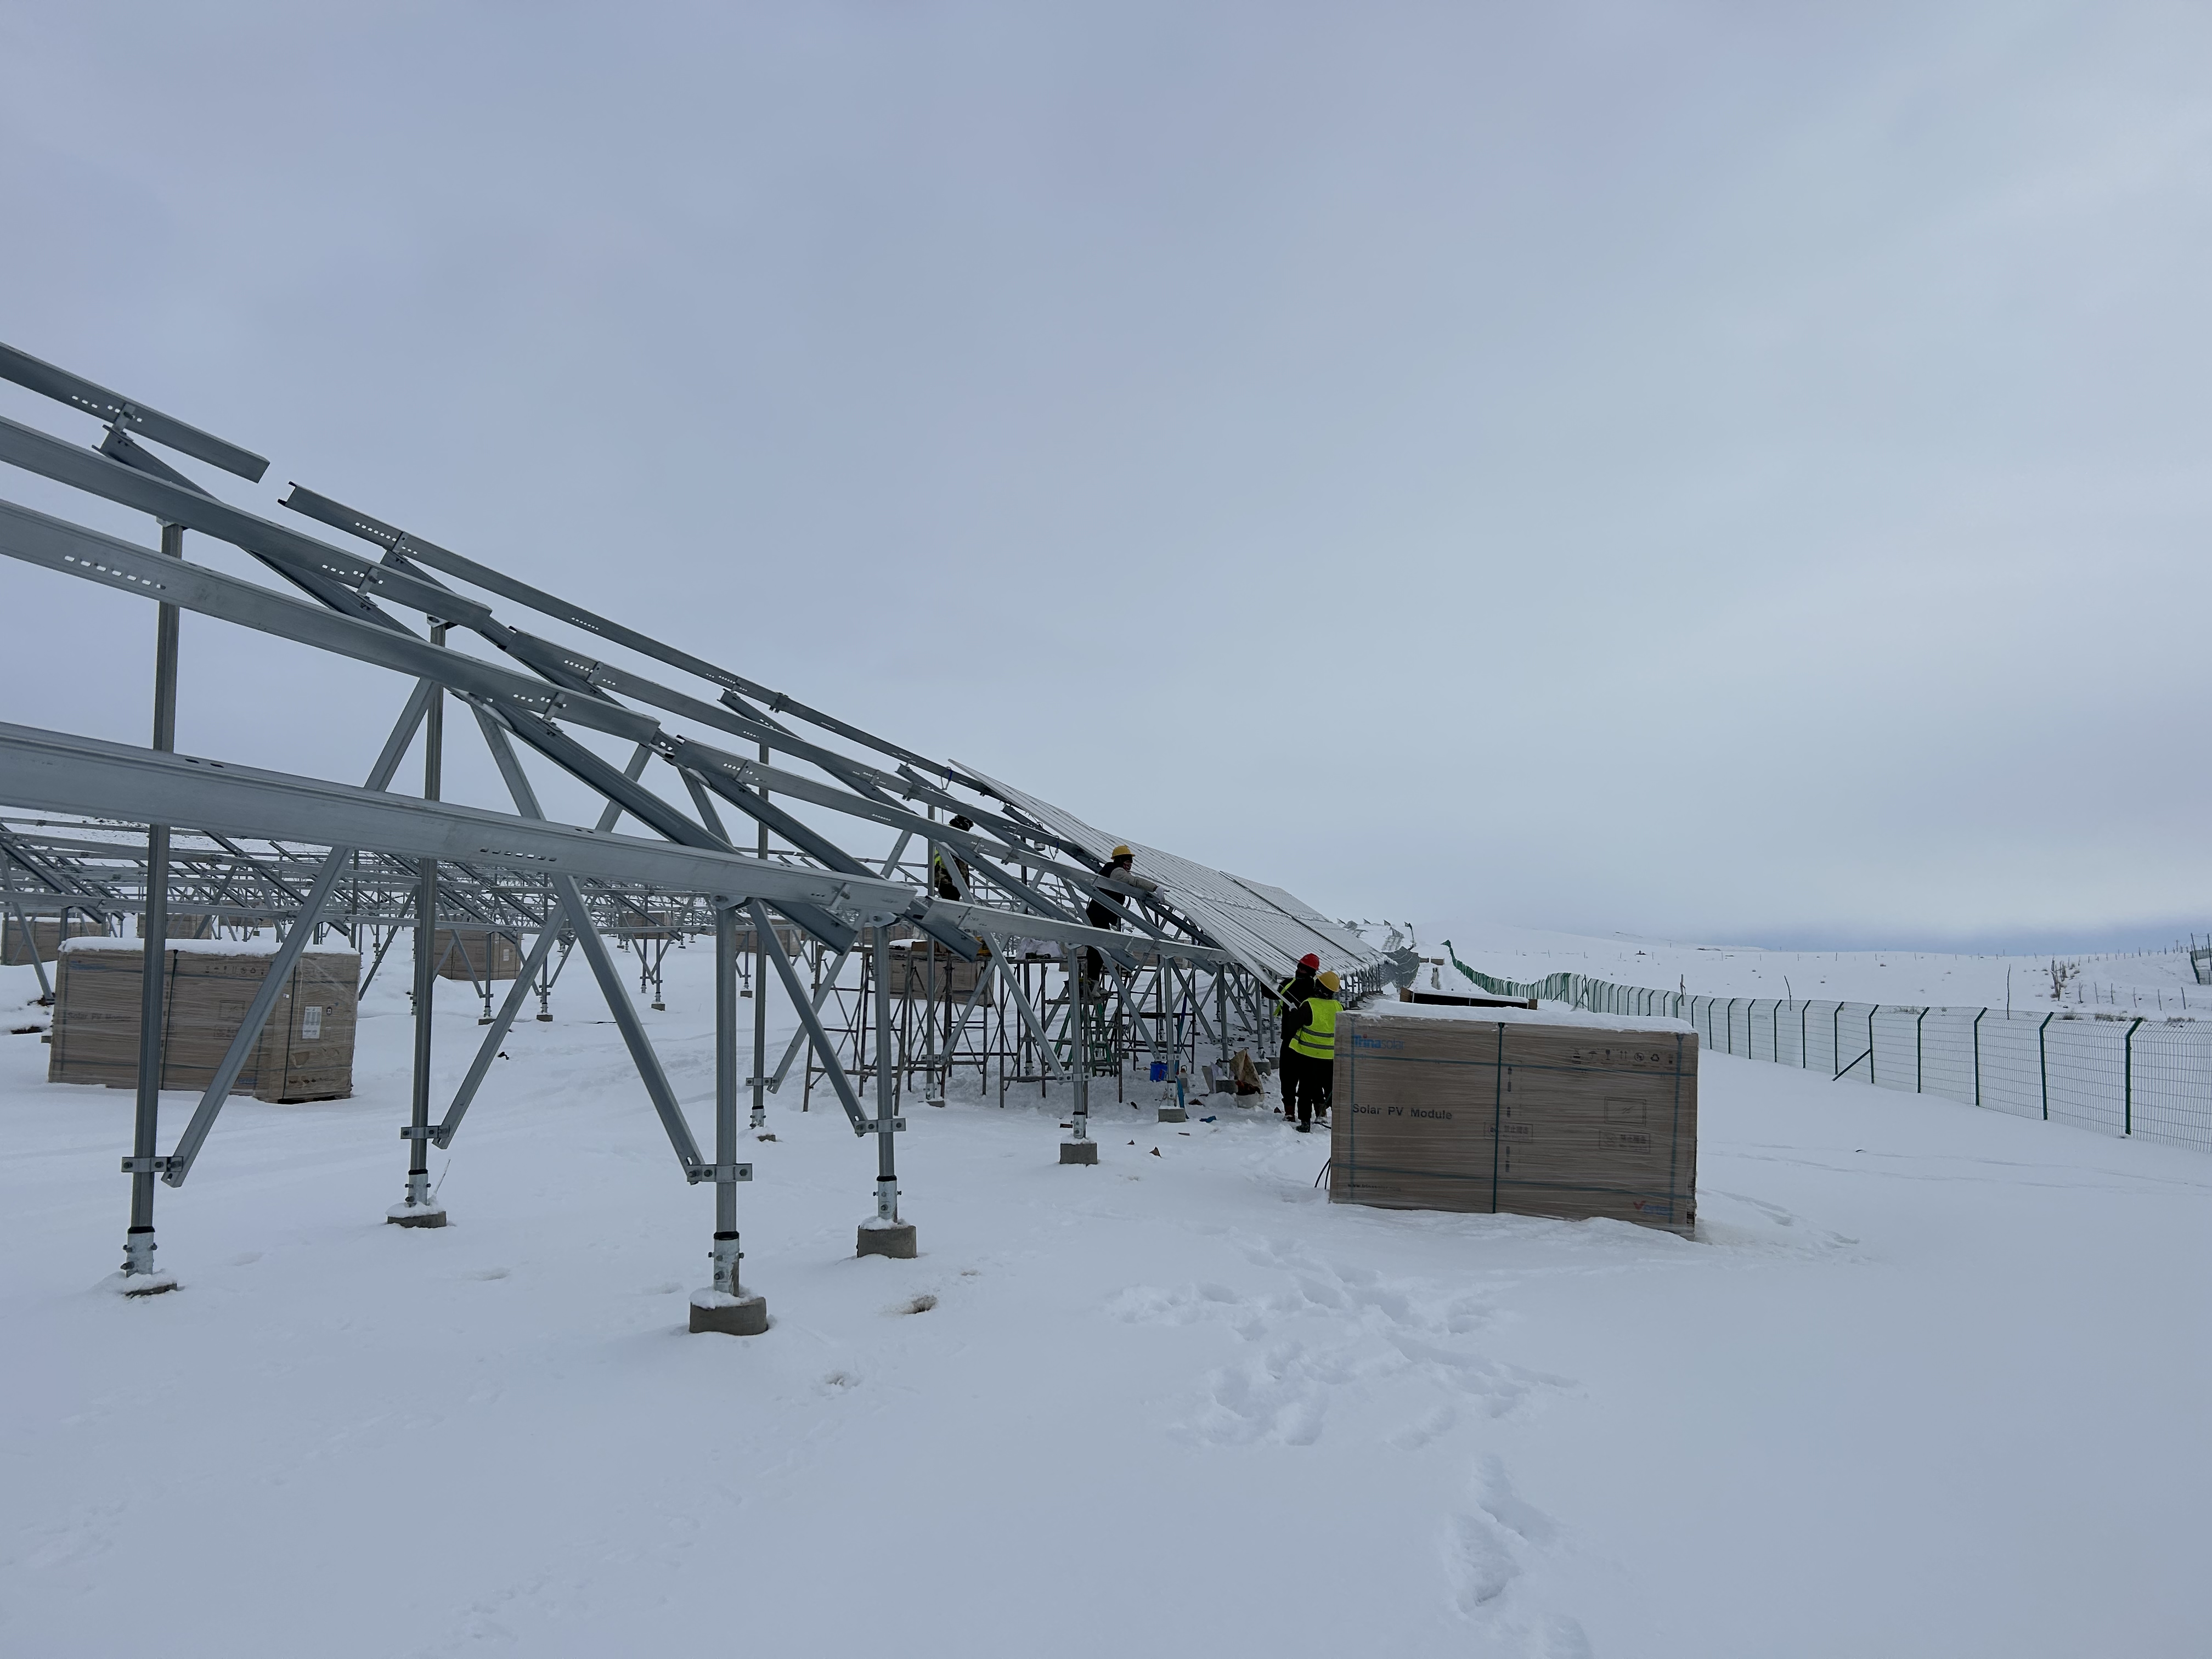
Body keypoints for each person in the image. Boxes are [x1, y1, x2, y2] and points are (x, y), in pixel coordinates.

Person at [1081, 844, 1158, 981]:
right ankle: (1091, 980)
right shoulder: (1117, 872)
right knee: (1098, 948)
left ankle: (1090, 979)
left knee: (1097, 948)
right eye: (1128, 862)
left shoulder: (1112, 870)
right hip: (1099, 914)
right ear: (1121, 860)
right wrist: (1155, 888)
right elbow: (1134, 881)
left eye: (1131, 862)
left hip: (1098, 914)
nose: (1130, 865)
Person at [1283, 970, 1343, 1132]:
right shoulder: (1338, 1007)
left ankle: (1305, 1123)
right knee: (1331, 1089)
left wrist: (1294, 1013)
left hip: (1308, 1057)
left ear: (1318, 987)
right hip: (1330, 1058)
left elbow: (1292, 1027)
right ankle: (1340, 1121)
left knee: (1306, 1090)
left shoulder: (1309, 1005)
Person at [1276, 953, 1322, 1115]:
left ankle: (1293, 1113)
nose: (1300, 970)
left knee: (1290, 1078)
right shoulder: (1318, 989)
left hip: (1294, 1039)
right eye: (1300, 967)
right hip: (1310, 1042)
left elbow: (1270, 992)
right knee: (1311, 1079)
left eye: (1303, 968)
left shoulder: (1289, 985)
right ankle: (1315, 1113)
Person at [931, 816, 975, 900]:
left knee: (953, 900)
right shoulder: (951, 834)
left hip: (948, 875)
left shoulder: (954, 833)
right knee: (952, 899)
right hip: (947, 876)